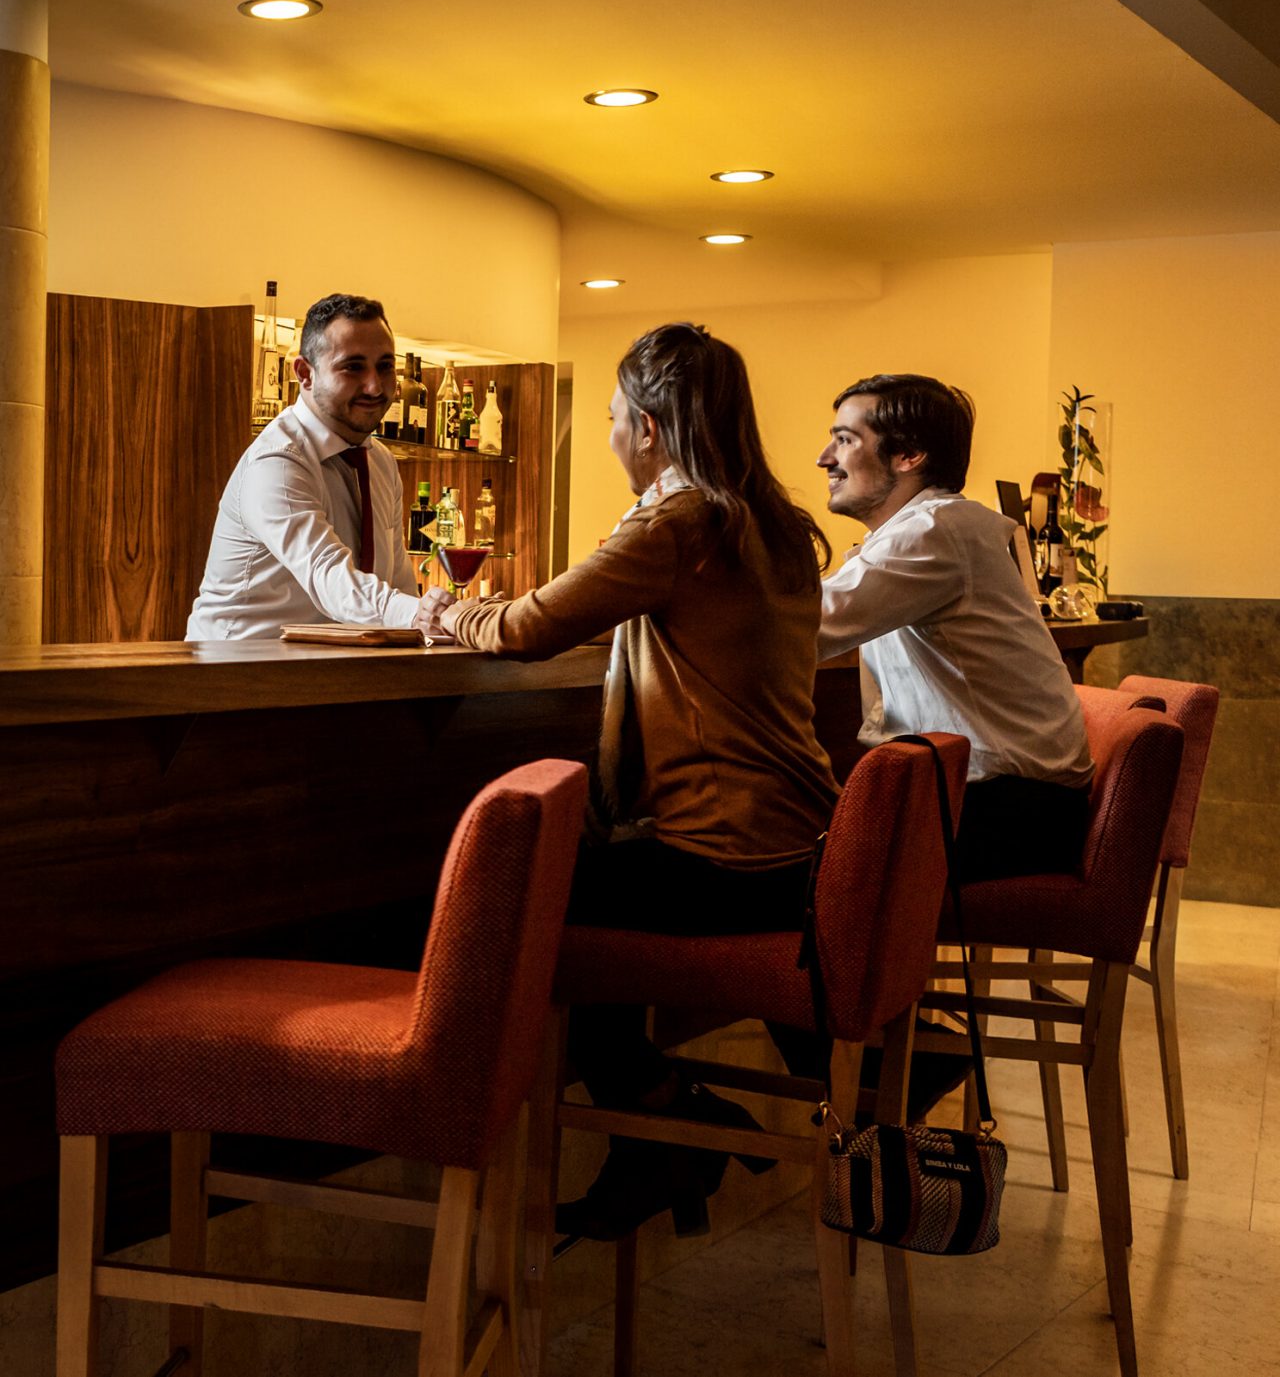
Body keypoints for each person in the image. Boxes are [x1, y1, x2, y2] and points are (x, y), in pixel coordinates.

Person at [435, 322, 841, 1240]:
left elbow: (528, 625)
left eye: (616, 417)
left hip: (719, 861)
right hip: (801, 856)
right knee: (571, 868)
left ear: (650, 429)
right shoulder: (773, 524)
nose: (611, 432)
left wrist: (441, 609)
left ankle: (664, 1117)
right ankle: (660, 1129)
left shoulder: (679, 521)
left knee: (511, 902)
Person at [816, 373, 1093, 883]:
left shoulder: (934, 530)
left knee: (772, 862)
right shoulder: (914, 533)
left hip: (1012, 812)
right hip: (1003, 801)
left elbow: (806, 627)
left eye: (846, 440)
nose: (825, 458)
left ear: (908, 455)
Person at [186, 293, 439, 641]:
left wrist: (444, 619)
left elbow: (398, 584)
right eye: (353, 367)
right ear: (305, 374)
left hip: (327, 673)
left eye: (384, 366)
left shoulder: (379, 461)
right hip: (235, 672)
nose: (375, 386)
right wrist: (430, 613)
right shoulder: (277, 461)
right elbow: (329, 576)